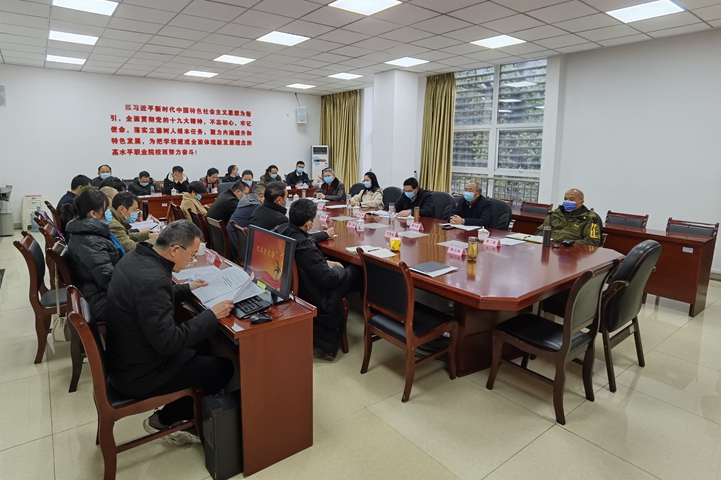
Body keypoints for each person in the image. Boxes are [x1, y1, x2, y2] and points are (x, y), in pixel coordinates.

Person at [105, 221, 235, 445]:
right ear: (175, 249)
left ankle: (198, 403)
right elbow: (169, 342)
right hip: (140, 374)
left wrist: (187, 288)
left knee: (203, 344)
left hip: (127, 355)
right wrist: (212, 315)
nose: (191, 261)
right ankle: (166, 419)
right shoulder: (153, 280)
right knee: (223, 368)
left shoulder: (136, 258)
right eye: (191, 255)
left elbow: (150, 297)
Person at [274, 199, 359, 359]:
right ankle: (369, 313)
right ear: (308, 224)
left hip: (296, 285)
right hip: (315, 293)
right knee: (356, 270)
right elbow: (328, 279)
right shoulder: (305, 246)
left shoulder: (283, 229)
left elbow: (310, 253)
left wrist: (327, 262)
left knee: (345, 266)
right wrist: (338, 268)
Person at [65, 189, 123, 322]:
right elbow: (108, 280)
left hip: (96, 290)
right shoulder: (90, 242)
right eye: (106, 209)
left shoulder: (85, 231)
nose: (109, 213)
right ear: (93, 213)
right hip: (98, 300)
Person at [535, 189, 602, 246]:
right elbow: (540, 230)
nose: (567, 201)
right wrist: (544, 239)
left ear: (581, 202)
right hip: (550, 247)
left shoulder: (589, 218)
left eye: (571, 200)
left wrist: (570, 244)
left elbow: (592, 241)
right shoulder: (555, 214)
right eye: (565, 199)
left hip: (572, 251)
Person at [228, 184, 265, 261]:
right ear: (261, 196)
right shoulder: (256, 206)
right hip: (238, 243)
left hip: (231, 237)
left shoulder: (246, 199)